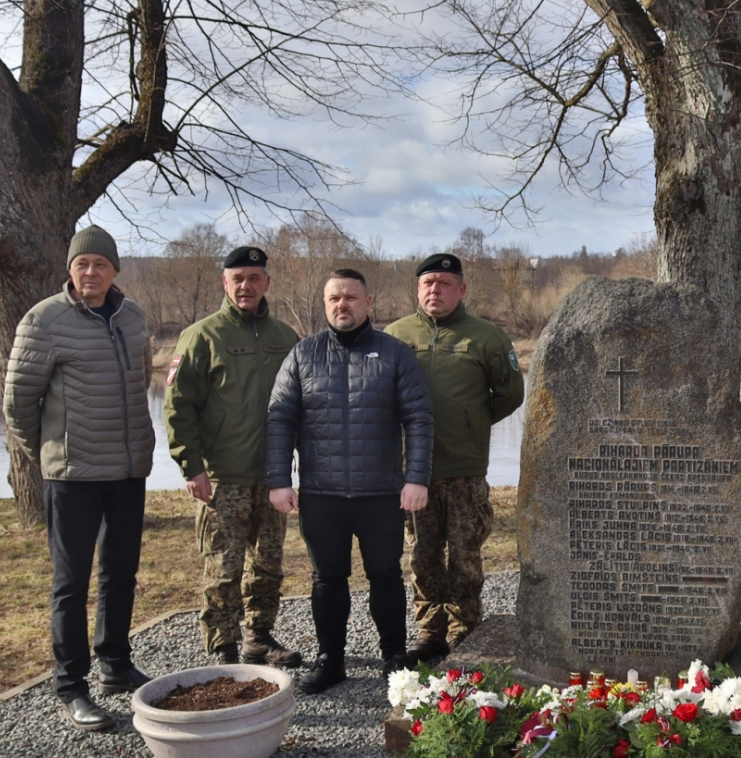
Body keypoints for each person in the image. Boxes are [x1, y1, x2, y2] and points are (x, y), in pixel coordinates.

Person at [3, 224, 156, 732]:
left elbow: (141, 382)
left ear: (115, 270)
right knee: (70, 585)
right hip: (72, 477)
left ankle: (114, 661)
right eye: (81, 264)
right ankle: (71, 685)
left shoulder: (133, 318)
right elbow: (18, 403)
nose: (90, 272)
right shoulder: (44, 320)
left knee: (120, 573)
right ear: (70, 270)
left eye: (100, 264)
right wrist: (49, 454)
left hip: (128, 471)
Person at [266, 269, 433, 694]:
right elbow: (280, 418)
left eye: (351, 298)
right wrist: (279, 480)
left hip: (381, 492)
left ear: (367, 302)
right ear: (325, 304)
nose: (343, 305)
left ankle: (394, 656)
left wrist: (417, 478)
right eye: (334, 298)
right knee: (327, 579)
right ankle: (331, 659)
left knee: (386, 575)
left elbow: (419, 418)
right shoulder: (303, 355)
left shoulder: (395, 354)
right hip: (322, 494)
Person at [165, 247, 302, 667]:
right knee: (223, 570)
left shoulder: (286, 338)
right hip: (223, 477)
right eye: (237, 278)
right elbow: (178, 406)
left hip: (273, 477)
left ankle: (258, 638)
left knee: (268, 566)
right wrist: (191, 466)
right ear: (225, 283)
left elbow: (304, 404)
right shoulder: (203, 336)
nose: (246, 286)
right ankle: (223, 649)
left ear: (267, 283)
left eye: (254, 278)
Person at [384, 252, 524, 663]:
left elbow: (511, 394)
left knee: (465, 556)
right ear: (418, 289)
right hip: (413, 474)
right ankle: (430, 631)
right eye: (428, 283)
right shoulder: (395, 336)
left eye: (445, 284)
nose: (435, 290)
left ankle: (465, 631)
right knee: (422, 556)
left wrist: (472, 421)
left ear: (461, 290)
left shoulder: (486, 337)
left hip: (463, 469)